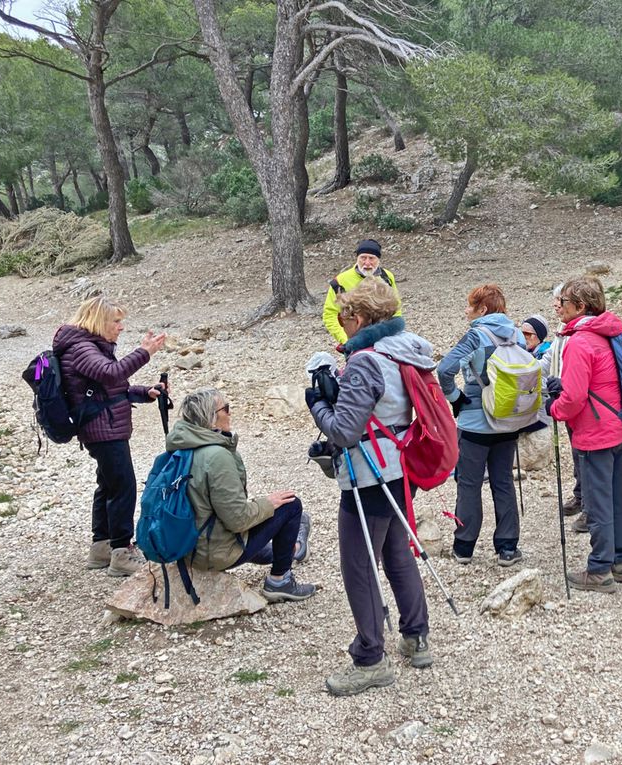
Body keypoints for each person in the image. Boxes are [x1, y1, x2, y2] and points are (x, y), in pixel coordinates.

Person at [308, 277, 433, 697]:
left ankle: (370, 658)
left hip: (369, 472)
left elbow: (344, 431)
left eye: (343, 319)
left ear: (358, 318)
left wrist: (319, 404)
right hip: (402, 464)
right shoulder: (409, 348)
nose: (341, 327)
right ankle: (416, 637)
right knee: (398, 552)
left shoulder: (365, 360)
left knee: (359, 564)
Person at [165, 389, 315, 602]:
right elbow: (238, 520)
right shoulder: (216, 456)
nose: (230, 413)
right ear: (211, 418)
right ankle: (280, 581)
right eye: (225, 409)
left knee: (271, 545)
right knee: (290, 504)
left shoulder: (179, 448)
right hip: (215, 552)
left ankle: (296, 548)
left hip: (186, 547)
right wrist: (267, 504)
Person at [53, 295, 166, 576]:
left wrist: (145, 392)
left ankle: (101, 548)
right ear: (99, 320)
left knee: (108, 485)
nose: (121, 327)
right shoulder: (81, 348)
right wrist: (145, 352)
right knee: (123, 486)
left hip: (103, 426)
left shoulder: (89, 346)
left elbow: (110, 389)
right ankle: (121, 553)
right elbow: (111, 373)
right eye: (116, 321)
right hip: (102, 429)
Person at [545, 276, 622, 593]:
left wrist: (553, 408)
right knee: (615, 495)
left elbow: (572, 399)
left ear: (580, 306)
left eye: (564, 302)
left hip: (596, 431)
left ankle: (599, 569)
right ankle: (621, 561)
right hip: (621, 425)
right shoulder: (610, 332)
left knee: (598, 502)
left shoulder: (581, 342)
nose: (559, 307)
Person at [436, 284, 525, 567]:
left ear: (482, 309)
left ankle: (464, 547)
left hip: (475, 421)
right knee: (503, 482)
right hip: (509, 419)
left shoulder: (475, 335)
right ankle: (507, 547)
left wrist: (455, 397)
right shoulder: (517, 333)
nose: (466, 310)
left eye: (469, 305)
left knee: (469, 483)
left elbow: (444, 369)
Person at [542, 286, 583, 522]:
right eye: (555, 300)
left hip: (573, 396)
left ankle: (588, 503)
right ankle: (581, 494)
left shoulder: (577, 331)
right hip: (562, 395)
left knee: (583, 450)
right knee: (577, 449)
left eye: (560, 300)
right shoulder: (562, 328)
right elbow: (551, 358)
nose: (556, 305)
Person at [322, 239, 401, 348]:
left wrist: (395, 334)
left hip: (384, 339)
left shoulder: (387, 277)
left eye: (371, 258)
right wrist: (346, 340)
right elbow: (330, 315)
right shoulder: (340, 281)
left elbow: (395, 308)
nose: (367, 263)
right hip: (355, 340)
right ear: (357, 258)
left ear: (378, 260)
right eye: (363, 258)